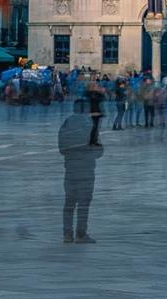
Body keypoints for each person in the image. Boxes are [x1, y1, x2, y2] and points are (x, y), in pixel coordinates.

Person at [58, 99, 103, 243]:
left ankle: (67, 234)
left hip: (70, 169)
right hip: (86, 170)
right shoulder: (89, 124)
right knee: (84, 204)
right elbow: (98, 149)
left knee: (69, 203)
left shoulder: (66, 123)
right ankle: (81, 234)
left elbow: (61, 148)